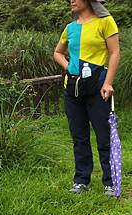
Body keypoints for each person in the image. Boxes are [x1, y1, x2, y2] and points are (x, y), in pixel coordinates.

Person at [53, 0, 120, 196]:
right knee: (79, 137)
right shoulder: (70, 28)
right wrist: (69, 68)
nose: (71, 0)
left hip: (98, 87)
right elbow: (57, 52)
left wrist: (108, 82)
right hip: (72, 90)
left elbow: (115, 52)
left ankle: (110, 181)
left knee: (103, 135)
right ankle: (81, 180)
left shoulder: (105, 21)